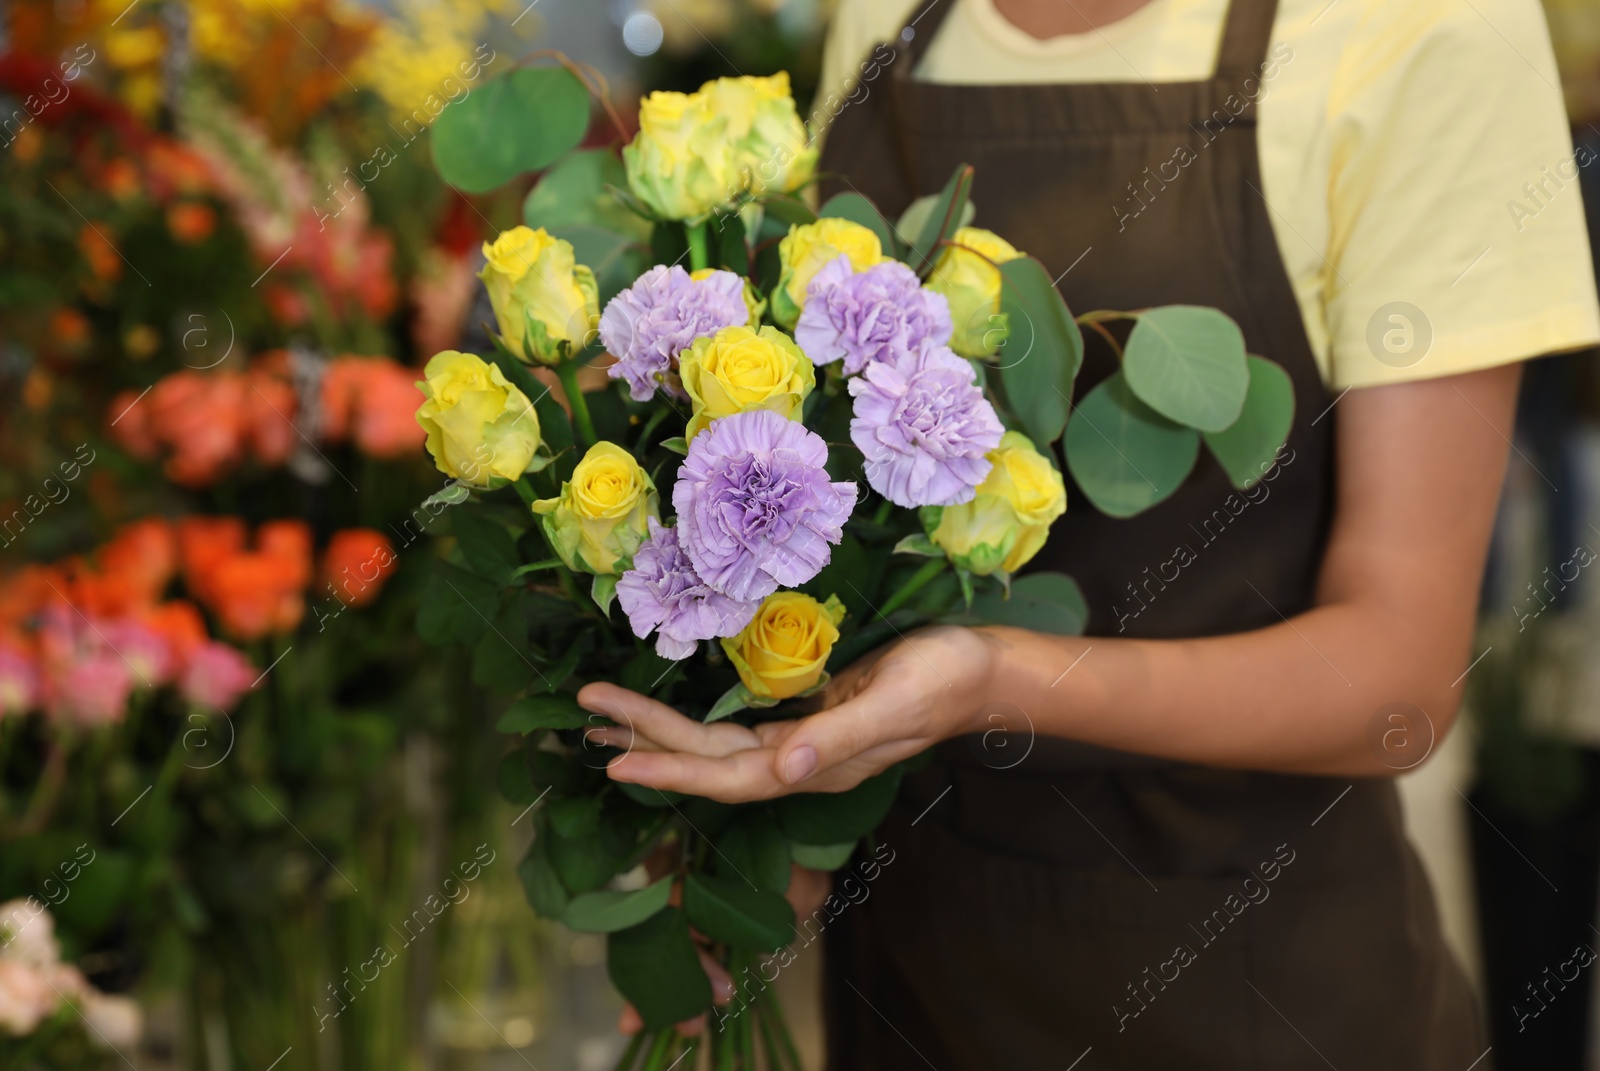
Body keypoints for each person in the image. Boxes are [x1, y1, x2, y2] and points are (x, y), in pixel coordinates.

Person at [579, 0, 1600, 1065]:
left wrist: (994, 682)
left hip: (1249, 989)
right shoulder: (886, 19)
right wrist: (763, 846)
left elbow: (1398, 678)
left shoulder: (1428, 28)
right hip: (908, 976)